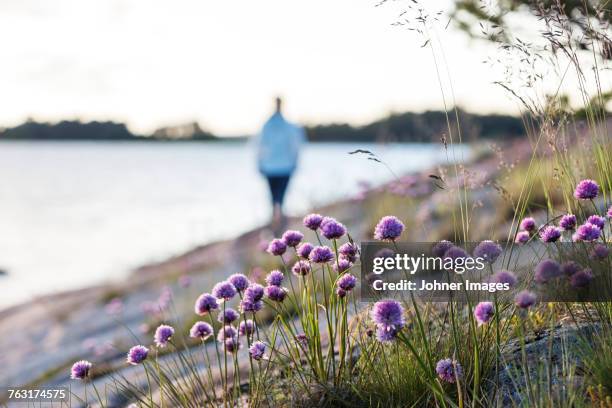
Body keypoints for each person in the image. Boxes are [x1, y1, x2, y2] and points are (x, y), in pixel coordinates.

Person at [256, 97, 306, 228]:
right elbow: (296, 145)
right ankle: (278, 219)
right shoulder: (288, 126)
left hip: (271, 166)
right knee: (279, 196)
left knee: (274, 197)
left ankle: (275, 220)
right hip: (284, 167)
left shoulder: (267, 125)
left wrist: (260, 163)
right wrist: (295, 163)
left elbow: (260, 145)